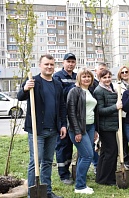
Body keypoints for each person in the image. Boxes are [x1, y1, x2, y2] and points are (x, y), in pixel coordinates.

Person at [17, 54, 66, 198]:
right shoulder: (33, 80)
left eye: (51, 64)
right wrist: (25, 88)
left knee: (48, 162)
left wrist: (63, 124)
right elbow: (20, 96)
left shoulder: (57, 83)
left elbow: (62, 106)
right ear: (40, 65)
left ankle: (47, 192)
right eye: (46, 64)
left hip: (53, 130)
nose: (49, 67)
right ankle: (32, 194)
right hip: (37, 130)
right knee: (35, 162)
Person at [67, 68, 97, 194]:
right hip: (78, 129)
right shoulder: (74, 91)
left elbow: (91, 111)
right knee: (87, 155)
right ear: (79, 78)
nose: (87, 79)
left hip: (90, 127)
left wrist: (95, 130)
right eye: (84, 76)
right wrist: (77, 131)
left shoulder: (89, 91)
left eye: (89, 76)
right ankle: (80, 186)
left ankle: (81, 183)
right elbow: (71, 113)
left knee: (83, 156)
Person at [53, 53, 77, 185]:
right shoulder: (57, 76)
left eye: (73, 62)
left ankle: (69, 170)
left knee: (70, 145)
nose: (70, 64)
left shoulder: (77, 76)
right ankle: (63, 174)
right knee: (62, 144)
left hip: (74, 115)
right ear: (63, 63)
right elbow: (59, 94)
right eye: (68, 61)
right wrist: (73, 88)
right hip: (62, 115)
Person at [93, 69, 120, 186]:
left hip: (111, 125)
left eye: (109, 77)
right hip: (105, 126)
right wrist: (116, 107)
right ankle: (108, 179)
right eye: (104, 78)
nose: (107, 79)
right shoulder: (99, 91)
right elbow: (100, 110)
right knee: (111, 151)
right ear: (99, 79)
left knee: (105, 152)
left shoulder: (111, 88)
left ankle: (101, 177)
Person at [89, 63, 108, 174]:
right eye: (100, 69)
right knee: (91, 143)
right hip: (93, 117)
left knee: (103, 143)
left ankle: (102, 164)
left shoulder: (109, 85)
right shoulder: (92, 84)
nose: (102, 71)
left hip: (105, 119)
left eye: (104, 70)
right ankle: (97, 165)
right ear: (95, 71)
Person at [114, 65, 129, 169]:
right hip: (123, 116)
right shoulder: (117, 86)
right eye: (123, 72)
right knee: (123, 138)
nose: (125, 74)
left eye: (127, 72)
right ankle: (126, 158)